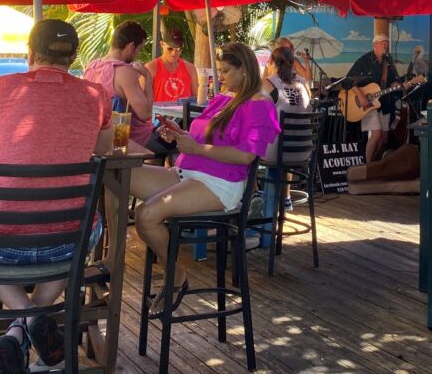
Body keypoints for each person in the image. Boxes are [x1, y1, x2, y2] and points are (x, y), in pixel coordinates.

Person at [0, 19, 112, 373]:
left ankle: (24, 323)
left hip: (0, 243)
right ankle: (33, 324)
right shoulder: (97, 95)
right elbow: (105, 148)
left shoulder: (0, 87)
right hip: (67, 243)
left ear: (30, 53)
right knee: (82, 233)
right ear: (74, 56)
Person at [130, 42, 279, 316]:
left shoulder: (259, 104)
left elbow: (247, 156)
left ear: (244, 70)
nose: (219, 76)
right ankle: (112, 261)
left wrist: (196, 148)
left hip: (220, 185)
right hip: (186, 173)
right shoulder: (226, 98)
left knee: (146, 214)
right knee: (118, 174)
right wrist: (181, 135)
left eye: (225, 71)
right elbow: (206, 136)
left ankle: (175, 276)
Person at [84, 21, 163, 152]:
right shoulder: (124, 71)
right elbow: (145, 114)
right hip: (126, 138)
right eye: (139, 49)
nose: (138, 53)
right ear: (131, 46)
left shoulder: (91, 66)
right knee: (175, 144)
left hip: (97, 137)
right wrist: (148, 78)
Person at [261, 45, 313, 211]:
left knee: (244, 149)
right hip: (303, 151)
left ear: (270, 62)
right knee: (281, 139)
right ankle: (285, 198)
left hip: (278, 153)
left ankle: (256, 198)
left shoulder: (268, 83)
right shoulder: (303, 83)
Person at [346, 34, 408, 163]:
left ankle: (376, 163)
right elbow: (349, 80)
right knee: (376, 133)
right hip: (368, 104)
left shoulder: (388, 63)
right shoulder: (364, 60)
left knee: (384, 136)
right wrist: (360, 95)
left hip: (383, 103)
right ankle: (367, 166)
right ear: (375, 45)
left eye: (387, 44)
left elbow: (392, 82)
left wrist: (400, 85)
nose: (386, 46)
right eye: (383, 43)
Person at [145, 28, 198, 103]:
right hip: (159, 114)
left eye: (178, 49)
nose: (174, 53)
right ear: (162, 44)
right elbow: (142, 99)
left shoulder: (190, 68)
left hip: (184, 114)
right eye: (170, 49)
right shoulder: (151, 68)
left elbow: (196, 97)